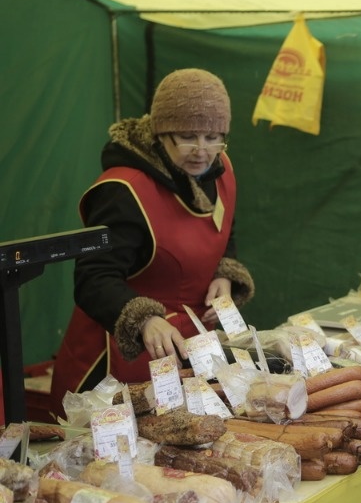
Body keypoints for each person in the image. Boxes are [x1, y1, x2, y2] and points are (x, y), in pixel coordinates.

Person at [47, 68, 255, 419]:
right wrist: (144, 319)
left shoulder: (219, 168)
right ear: (161, 132)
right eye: (188, 136)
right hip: (119, 359)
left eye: (213, 136)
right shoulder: (122, 191)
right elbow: (93, 279)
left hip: (189, 348)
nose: (202, 151)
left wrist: (224, 271)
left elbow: (222, 229)